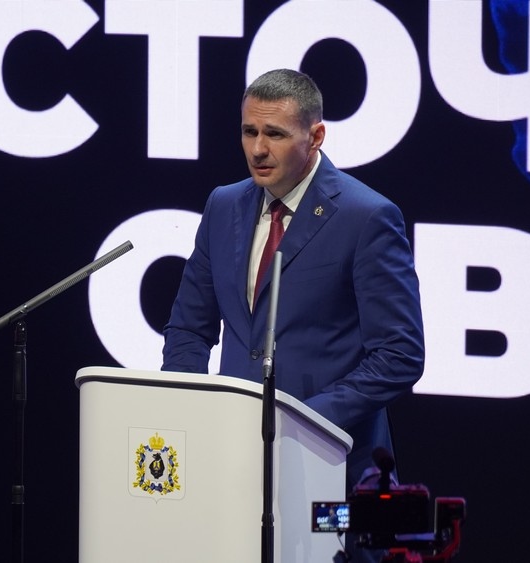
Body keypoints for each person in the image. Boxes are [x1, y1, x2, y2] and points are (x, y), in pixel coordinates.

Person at [161, 68, 424, 561]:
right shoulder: (223, 205)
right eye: (249, 131)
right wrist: (189, 413)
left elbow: (399, 354)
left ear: (315, 136)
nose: (258, 149)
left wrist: (302, 421)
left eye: (275, 134)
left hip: (332, 470)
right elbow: (189, 328)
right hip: (233, 464)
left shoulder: (367, 217)